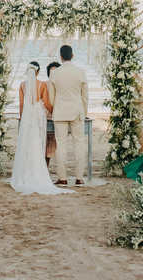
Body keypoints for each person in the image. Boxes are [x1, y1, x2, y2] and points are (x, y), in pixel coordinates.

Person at [8, 62, 69, 194]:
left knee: (27, 145)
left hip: (27, 119)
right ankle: (38, 173)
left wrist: (23, 119)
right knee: (38, 144)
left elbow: (21, 105)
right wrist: (54, 111)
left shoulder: (22, 85)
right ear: (38, 71)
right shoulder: (41, 85)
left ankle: (25, 174)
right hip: (38, 119)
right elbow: (46, 103)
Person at [49, 44, 88, 186]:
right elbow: (85, 96)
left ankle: (63, 178)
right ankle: (79, 177)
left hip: (59, 112)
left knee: (61, 144)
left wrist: (56, 107)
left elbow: (51, 96)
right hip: (77, 111)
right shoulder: (80, 72)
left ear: (60, 56)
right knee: (79, 143)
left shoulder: (54, 73)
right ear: (72, 55)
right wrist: (84, 111)